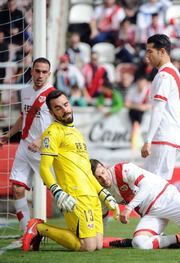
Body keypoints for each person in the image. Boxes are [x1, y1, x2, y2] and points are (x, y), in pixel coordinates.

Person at [22, 90, 119, 252]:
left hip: (92, 195)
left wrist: (104, 194)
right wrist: (57, 192)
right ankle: (38, 228)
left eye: (66, 104)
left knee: (98, 245)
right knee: (87, 246)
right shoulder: (52, 133)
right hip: (74, 196)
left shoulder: (77, 133)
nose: (65, 109)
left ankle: (41, 230)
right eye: (58, 108)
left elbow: (88, 172)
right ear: (52, 113)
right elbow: (44, 168)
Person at [90, 159, 180, 250]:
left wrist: (128, 208)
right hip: (151, 213)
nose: (103, 178)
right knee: (139, 243)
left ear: (104, 166)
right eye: (98, 178)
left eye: (103, 172)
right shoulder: (102, 191)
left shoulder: (122, 169)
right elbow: (103, 214)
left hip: (166, 197)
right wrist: (99, 237)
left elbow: (146, 186)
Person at [0, 58, 55, 231]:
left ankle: (83, 226)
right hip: (25, 146)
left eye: (44, 72)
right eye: (37, 71)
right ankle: (27, 232)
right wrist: (9, 134)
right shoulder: (24, 92)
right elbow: (23, 117)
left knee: (61, 190)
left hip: (45, 149)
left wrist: (41, 140)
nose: (40, 75)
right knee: (17, 189)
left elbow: (60, 123)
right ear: (31, 71)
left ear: (49, 74)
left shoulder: (54, 95)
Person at [140, 34, 180, 181]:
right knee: (157, 187)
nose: (147, 56)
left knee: (152, 186)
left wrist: (148, 139)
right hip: (170, 136)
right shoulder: (173, 72)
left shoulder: (164, 76)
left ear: (162, 51)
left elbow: (159, 109)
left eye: (150, 51)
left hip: (163, 136)